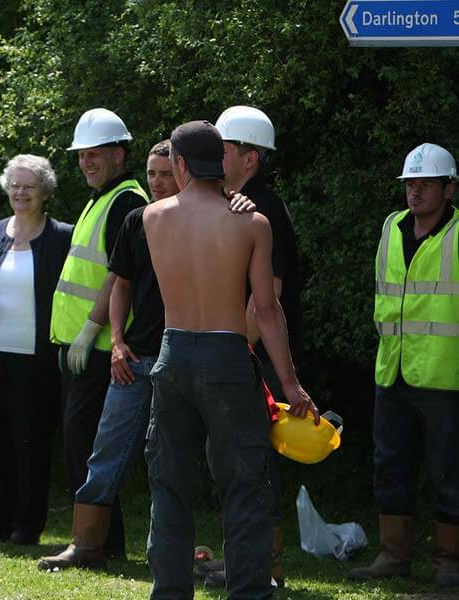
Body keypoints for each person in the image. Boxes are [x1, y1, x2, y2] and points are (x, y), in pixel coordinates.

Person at [40, 141, 255, 570]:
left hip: (190, 359)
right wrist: (115, 340)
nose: (157, 181)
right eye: (150, 174)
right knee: (106, 449)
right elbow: (119, 284)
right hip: (136, 361)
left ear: (182, 172)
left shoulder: (218, 216)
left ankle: (234, 558)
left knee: (209, 461)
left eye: (164, 173)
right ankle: (86, 545)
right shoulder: (137, 220)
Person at [142, 120, 316, 600]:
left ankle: (170, 593)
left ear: (178, 164)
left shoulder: (151, 218)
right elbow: (266, 309)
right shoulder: (252, 222)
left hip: (172, 354)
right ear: (221, 162)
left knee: (169, 486)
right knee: (243, 486)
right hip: (227, 357)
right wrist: (291, 384)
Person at [348, 143, 459, 588]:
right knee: (389, 464)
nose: (415, 192)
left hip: (444, 375)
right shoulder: (391, 227)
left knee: (447, 471)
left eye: (426, 184)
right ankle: (393, 556)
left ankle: (448, 563)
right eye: (410, 184)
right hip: (391, 369)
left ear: (448, 189)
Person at [202, 105, 301, 588]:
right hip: (237, 355)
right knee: (235, 461)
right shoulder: (232, 202)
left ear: (251, 159)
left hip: (249, 356)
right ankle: (244, 558)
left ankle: (267, 566)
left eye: (222, 152)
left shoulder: (263, 211)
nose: (212, 160)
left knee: (252, 462)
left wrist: (236, 353)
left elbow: (268, 299)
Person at [50, 108, 149, 558]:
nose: (86, 162)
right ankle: (101, 543)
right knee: (81, 444)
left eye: (96, 154)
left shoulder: (128, 200)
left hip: (102, 347)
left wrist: (92, 328)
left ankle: (96, 544)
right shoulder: (102, 197)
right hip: (78, 346)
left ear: (119, 154)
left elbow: (118, 273)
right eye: (81, 155)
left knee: (88, 446)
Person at [0, 154, 71, 544]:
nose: (20, 192)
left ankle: (27, 525)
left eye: (29, 186)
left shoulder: (62, 236)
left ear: (44, 193)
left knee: (31, 441)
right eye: (15, 185)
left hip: (37, 361)